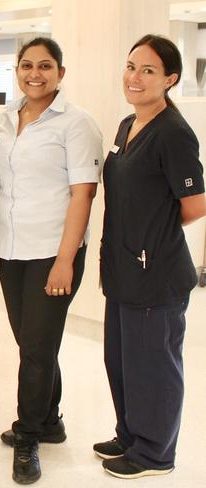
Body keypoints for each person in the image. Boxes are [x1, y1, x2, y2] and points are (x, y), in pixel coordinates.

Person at [0, 37, 103, 484]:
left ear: (60, 72)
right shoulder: (4, 118)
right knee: (34, 346)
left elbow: (84, 194)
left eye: (45, 66)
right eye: (26, 65)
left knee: (35, 350)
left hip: (52, 253)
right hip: (11, 250)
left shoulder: (77, 124)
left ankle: (28, 436)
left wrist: (65, 261)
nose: (34, 73)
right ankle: (50, 419)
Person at [95, 34, 206, 480]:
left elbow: (195, 205)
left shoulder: (174, 133)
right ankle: (130, 434)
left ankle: (155, 452)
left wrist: (152, 233)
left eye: (148, 70)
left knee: (153, 366)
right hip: (123, 267)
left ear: (170, 79)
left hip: (157, 272)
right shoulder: (128, 125)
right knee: (121, 360)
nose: (134, 77)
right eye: (131, 66)